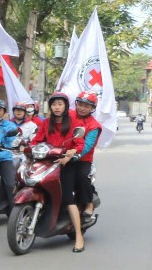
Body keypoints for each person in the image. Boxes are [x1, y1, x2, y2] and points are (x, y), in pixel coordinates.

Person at [31, 92, 85, 252]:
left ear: (66, 106)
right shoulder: (46, 122)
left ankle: (79, 236)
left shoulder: (73, 121)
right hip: (47, 162)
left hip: (66, 164)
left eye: (60, 104)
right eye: (54, 104)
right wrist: (28, 147)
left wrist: (70, 154)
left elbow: (79, 144)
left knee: (68, 198)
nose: (57, 107)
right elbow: (37, 140)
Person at [71, 91, 101, 223]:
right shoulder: (69, 115)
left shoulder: (94, 125)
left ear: (92, 108)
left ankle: (89, 204)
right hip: (62, 155)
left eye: (86, 106)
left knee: (81, 177)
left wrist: (75, 155)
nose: (82, 108)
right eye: (80, 104)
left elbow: (88, 145)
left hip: (82, 159)